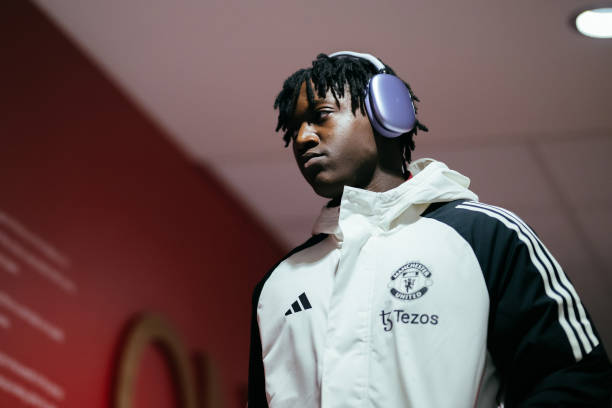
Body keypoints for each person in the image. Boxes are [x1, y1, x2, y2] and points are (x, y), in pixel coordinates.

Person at [247, 51, 612, 407]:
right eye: (295, 127)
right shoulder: (279, 285)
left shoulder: (486, 237)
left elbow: (573, 381)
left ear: (387, 112)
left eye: (321, 115)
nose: (302, 138)